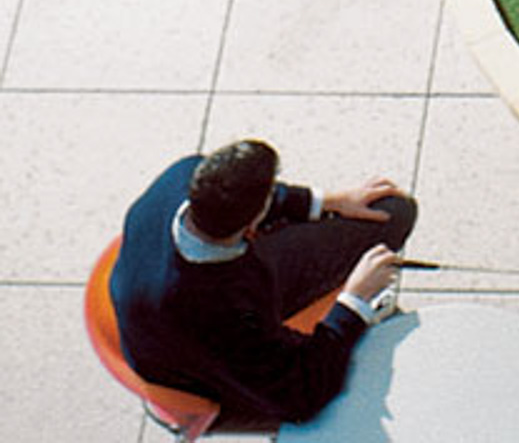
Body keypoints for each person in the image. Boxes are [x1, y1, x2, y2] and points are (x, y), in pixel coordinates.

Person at [109, 140, 418, 426]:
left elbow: (250, 201)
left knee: (389, 210)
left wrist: (328, 201)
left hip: (196, 283)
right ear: (252, 227)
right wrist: (354, 302)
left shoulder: (184, 175)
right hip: (193, 358)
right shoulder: (220, 315)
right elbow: (301, 396)